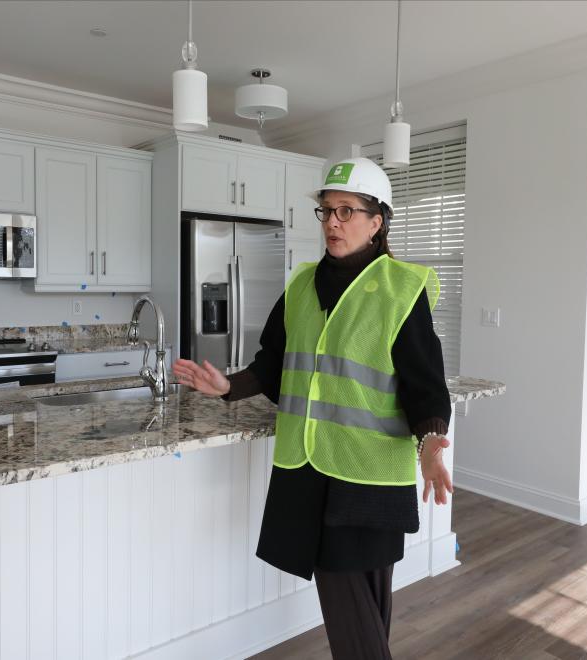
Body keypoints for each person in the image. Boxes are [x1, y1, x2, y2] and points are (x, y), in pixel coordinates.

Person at [172, 157, 453, 659]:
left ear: (376, 221)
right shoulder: (301, 285)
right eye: (326, 211)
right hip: (307, 468)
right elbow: (274, 362)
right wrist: (228, 387)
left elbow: (424, 385)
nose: (333, 222)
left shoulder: (401, 289)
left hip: (369, 472)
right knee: (354, 600)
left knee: (367, 594)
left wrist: (431, 443)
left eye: (347, 211)